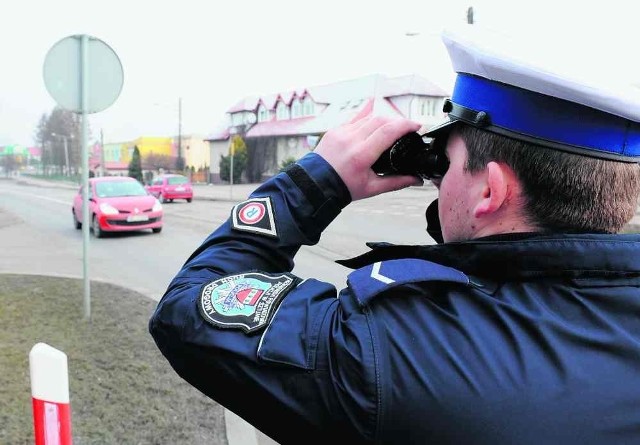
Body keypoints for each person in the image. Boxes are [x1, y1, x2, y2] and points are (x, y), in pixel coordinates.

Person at [149, 26, 640, 444]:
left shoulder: (395, 352)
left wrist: (317, 179)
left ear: (491, 190)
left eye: (443, 164)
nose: (436, 179)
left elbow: (188, 307)